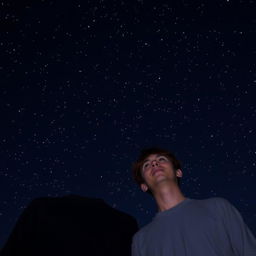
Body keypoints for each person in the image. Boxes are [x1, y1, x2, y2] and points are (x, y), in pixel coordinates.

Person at [131, 147, 256, 256]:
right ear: (144, 186)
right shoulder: (141, 241)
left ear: (178, 172)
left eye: (161, 159)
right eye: (146, 165)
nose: (154, 163)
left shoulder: (218, 207)